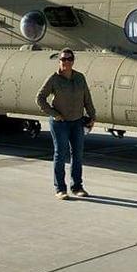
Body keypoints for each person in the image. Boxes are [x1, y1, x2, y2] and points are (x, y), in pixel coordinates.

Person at [36, 48, 96, 200]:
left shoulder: (80, 78)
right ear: (59, 61)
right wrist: (54, 114)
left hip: (77, 122)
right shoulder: (54, 79)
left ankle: (77, 187)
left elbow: (87, 98)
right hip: (60, 123)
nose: (66, 62)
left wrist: (92, 116)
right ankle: (60, 189)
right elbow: (40, 98)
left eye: (69, 59)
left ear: (73, 61)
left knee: (77, 155)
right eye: (63, 59)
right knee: (60, 154)